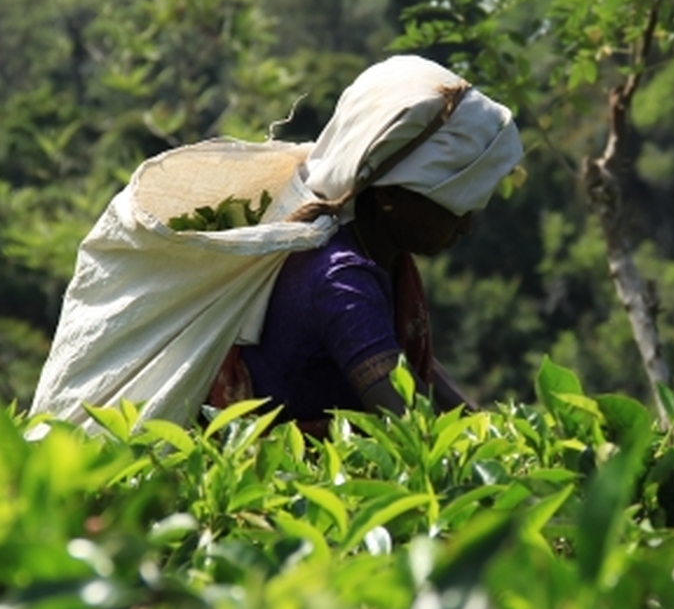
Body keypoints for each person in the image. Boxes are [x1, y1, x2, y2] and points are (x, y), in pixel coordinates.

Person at [206, 55, 524, 431]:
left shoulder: (367, 250)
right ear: (390, 196)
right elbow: (409, 423)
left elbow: (395, 357)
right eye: (454, 209)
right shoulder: (340, 281)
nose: (467, 226)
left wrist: (488, 426)